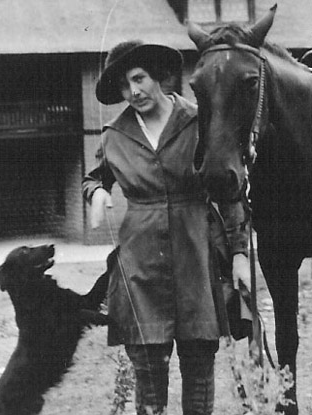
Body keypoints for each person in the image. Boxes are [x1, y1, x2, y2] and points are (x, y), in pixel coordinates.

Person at [82, 40, 250, 415]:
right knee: (148, 370)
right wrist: (95, 192)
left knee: (199, 367)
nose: (134, 91)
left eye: (139, 79)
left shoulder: (200, 120)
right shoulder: (114, 134)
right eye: (125, 86)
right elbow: (94, 178)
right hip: (141, 266)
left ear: (156, 75)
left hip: (197, 254)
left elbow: (228, 189)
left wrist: (239, 254)